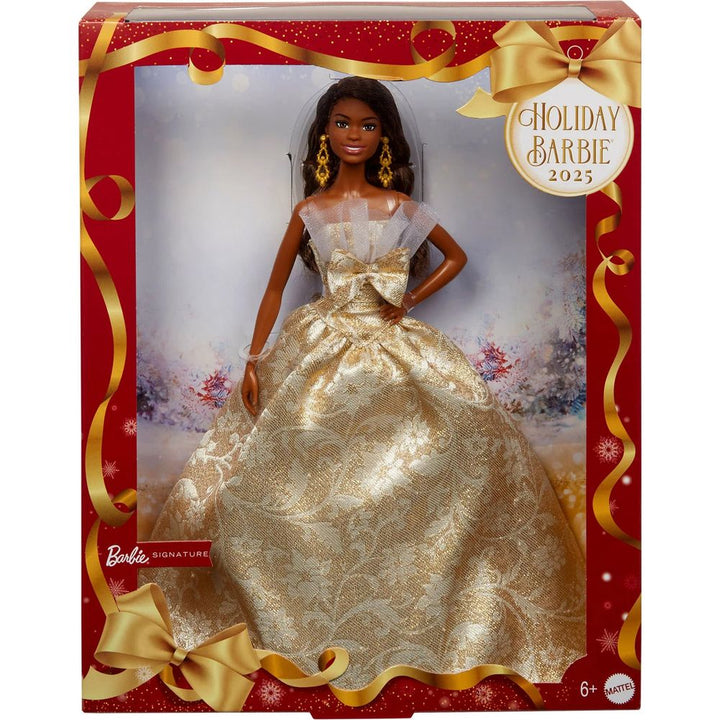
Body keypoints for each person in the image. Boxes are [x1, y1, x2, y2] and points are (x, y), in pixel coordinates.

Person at [145, 76, 585, 691]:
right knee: (290, 465)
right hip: (322, 342)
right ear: (325, 132)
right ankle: (295, 607)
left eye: (368, 125)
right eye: (343, 123)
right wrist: (254, 357)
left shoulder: (401, 208)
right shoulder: (310, 211)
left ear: (385, 136)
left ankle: (433, 602)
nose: (354, 134)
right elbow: (274, 287)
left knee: (457, 442)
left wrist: (410, 301)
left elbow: (456, 257)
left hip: (393, 341)